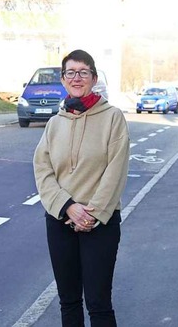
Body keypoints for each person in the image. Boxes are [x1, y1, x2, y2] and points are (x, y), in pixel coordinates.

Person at [33, 49, 130, 327]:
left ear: (94, 78)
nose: (77, 78)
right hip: (60, 221)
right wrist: (67, 207)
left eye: (83, 72)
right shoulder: (54, 123)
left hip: (100, 223)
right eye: (71, 73)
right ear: (63, 80)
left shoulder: (112, 118)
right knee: (69, 302)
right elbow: (43, 169)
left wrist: (91, 214)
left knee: (99, 305)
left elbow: (116, 169)